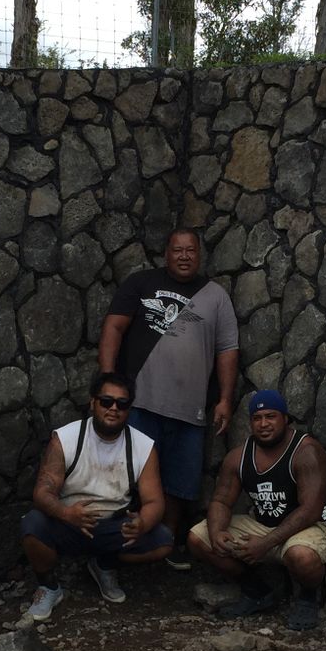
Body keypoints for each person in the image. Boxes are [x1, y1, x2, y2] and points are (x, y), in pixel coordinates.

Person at [98, 228, 239, 571]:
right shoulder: (141, 283)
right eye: (178, 250)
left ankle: (168, 540)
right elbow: (113, 327)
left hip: (191, 410)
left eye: (191, 250)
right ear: (167, 253)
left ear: (200, 255)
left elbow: (228, 350)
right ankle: (120, 544)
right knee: (128, 476)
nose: (185, 256)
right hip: (141, 403)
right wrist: (107, 381)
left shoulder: (215, 296)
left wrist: (224, 399)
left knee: (180, 481)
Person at [20, 372, 173, 622]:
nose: (113, 408)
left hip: (113, 524)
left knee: (163, 541)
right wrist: (66, 513)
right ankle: (48, 587)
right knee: (32, 525)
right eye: (106, 401)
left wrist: (142, 523)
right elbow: (42, 492)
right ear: (93, 403)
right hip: (69, 522)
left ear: (129, 409)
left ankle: (104, 565)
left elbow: (155, 501)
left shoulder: (143, 446)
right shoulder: (66, 438)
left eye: (122, 404)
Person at [187, 390, 326, 631]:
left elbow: (310, 510)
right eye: (257, 418)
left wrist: (265, 544)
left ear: (285, 419)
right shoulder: (239, 457)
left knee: (301, 556)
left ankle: (308, 596)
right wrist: (216, 532)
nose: (264, 424)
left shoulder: (305, 450)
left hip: (310, 527)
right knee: (198, 537)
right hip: (264, 527)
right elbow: (221, 501)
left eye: (271, 416)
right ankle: (257, 592)